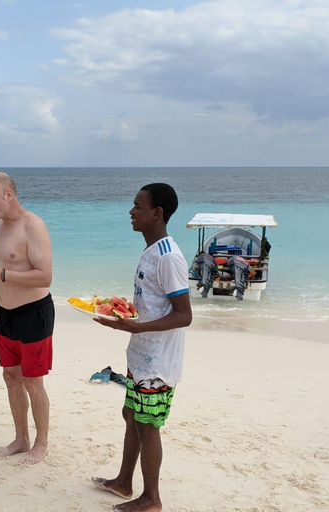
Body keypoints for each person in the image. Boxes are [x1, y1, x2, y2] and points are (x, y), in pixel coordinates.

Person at [91, 183, 192, 512]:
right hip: (141, 354)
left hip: (158, 361)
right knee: (130, 414)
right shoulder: (151, 251)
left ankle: (152, 499)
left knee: (148, 425)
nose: (131, 212)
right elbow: (153, 304)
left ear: (157, 213)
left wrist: (136, 326)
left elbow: (184, 315)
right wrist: (122, 317)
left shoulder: (168, 257)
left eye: (137, 206)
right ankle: (123, 482)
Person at [0, 172, 54, 465]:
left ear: (8, 194)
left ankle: (41, 442)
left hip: (34, 313)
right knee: (11, 377)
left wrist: (0, 274)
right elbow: (3, 262)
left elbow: (45, 276)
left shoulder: (33, 225)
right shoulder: (2, 226)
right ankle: (21, 438)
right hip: (4, 314)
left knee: (33, 381)